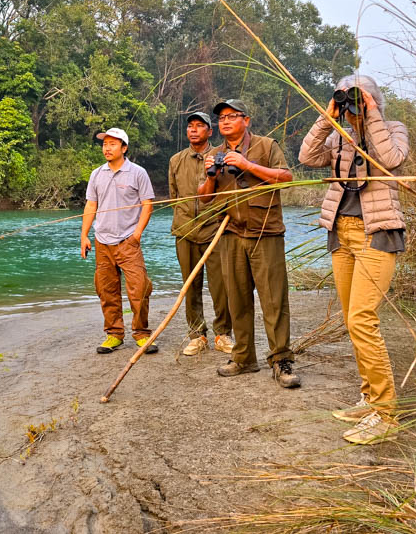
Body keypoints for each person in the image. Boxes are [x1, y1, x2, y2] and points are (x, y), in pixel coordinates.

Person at [298, 74, 408, 445]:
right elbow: (306, 156)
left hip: (376, 233)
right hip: (341, 232)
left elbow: (391, 159)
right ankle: (369, 397)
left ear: (373, 100)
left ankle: (386, 413)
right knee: (351, 319)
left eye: (356, 100)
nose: (352, 107)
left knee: (363, 318)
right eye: (347, 100)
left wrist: (371, 114)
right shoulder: (336, 136)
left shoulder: (393, 129)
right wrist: (327, 116)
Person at [197, 100, 300, 388]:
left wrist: (246, 164)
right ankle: (243, 357)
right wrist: (211, 177)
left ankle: (281, 360)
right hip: (230, 233)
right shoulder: (215, 154)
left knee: (273, 299)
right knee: (237, 299)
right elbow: (204, 198)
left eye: (232, 116)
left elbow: (286, 178)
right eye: (221, 118)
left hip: (265, 232)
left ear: (247, 120)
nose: (225, 122)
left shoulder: (266, 147)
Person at [81, 127, 158, 355]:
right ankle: (114, 335)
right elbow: (91, 206)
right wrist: (84, 235)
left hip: (128, 242)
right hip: (102, 242)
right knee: (106, 290)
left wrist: (136, 235)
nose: (107, 148)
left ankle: (142, 334)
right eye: (105, 144)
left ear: (124, 148)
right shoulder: (97, 174)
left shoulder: (137, 173)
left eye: (113, 144)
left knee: (140, 288)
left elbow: (147, 205)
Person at [168, 111, 235, 356]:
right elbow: (175, 196)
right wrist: (183, 220)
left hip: (215, 231)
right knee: (190, 286)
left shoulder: (221, 157)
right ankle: (197, 335)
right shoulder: (176, 160)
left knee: (221, 286)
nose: (193, 130)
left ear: (210, 131)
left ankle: (222, 333)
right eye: (190, 126)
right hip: (185, 231)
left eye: (200, 126)